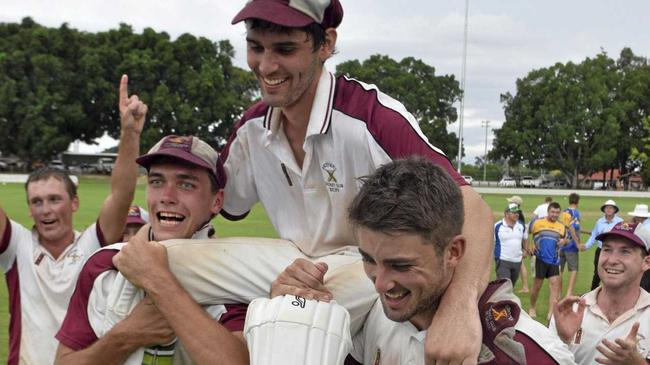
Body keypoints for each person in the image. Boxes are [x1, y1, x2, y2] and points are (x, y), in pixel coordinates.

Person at [214, 1, 495, 362]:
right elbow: (213, 202)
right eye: (256, 47)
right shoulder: (252, 127)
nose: (266, 66)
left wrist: (459, 306)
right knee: (158, 261)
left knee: (291, 316)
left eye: (285, 49)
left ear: (326, 43)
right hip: (292, 264)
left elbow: (471, 206)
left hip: (368, 272)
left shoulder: (370, 116)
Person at [271, 158, 576, 364]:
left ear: (453, 252)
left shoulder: (524, 352)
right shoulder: (382, 313)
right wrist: (290, 311)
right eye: (368, 259)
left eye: (401, 265)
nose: (380, 283)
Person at [55, 135, 249, 364]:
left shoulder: (235, 276)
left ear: (217, 201)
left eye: (186, 184)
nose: (167, 197)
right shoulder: (104, 263)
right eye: (157, 182)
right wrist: (125, 336)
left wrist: (158, 282)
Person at [0, 75, 143, 365]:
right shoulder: (17, 246)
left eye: (55, 199)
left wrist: (129, 134)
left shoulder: (92, 244)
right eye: (36, 202)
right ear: (29, 209)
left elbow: (122, 193)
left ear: (74, 203)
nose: (45, 210)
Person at [550, 221, 650, 365]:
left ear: (646, 262)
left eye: (625, 251)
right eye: (607, 249)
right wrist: (563, 341)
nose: (612, 260)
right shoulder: (570, 311)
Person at [528, 202, 568, 320]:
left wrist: (564, 242)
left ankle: (551, 313)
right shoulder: (537, 223)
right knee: (537, 286)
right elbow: (525, 234)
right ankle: (532, 307)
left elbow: (566, 239)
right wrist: (529, 246)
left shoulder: (561, 226)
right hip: (539, 259)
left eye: (557, 212)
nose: (555, 214)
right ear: (548, 212)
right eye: (552, 212)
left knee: (554, 286)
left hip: (554, 260)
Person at [585, 199, 624, 290]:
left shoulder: (620, 222)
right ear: (604, 210)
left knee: (615, 271)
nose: (609, 210)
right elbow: (594, 235)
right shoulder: (599, 221)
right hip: (601, 250)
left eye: (611, 208)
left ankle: (613, 291)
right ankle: (592, 292)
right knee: (597, 273)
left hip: (615, 251)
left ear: (615, 210)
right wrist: (586, 246)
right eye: (607, 208)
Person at [494, 203, 527, 286]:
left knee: (511, 286)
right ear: (507, 214)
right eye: (514, 212)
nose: (517, 214)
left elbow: (525, 238)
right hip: (502, 260)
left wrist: (525, 250)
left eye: (517, 213)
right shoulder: (497, 226)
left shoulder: (521, 225)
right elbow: (492, 242)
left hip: (517, 260)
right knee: (504, 285)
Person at [560, 193, 583, 297]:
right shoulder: (575, 213)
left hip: (561, 243)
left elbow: (565, 226)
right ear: (578, 201)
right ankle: (569, 292)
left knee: (559, 269)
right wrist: (577, 243)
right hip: (571, 245)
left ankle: (558, 292)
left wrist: (588, 232)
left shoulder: (564, 212)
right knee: (574, 269)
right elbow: (572, 228)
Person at [508, 195, 531, 293]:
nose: (509, 204)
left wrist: (524, 248)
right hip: (518, 242)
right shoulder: (518, 213)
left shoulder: (518, 215)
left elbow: (521, 231)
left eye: (511, 202)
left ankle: (525, 287)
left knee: (520, 265)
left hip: (518, 242)